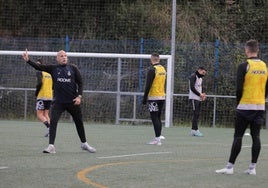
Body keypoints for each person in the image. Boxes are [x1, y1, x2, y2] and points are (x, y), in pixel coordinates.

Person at [22, 49, 96, 154]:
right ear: (57, 58)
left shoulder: (73, 68)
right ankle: (51, 146)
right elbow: (39, 67)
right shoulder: (53, 68)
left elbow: (80, 83)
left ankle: (84, 143)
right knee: (53, 123)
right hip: (59, 102)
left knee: (79, 122)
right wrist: (28, 60)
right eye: (61, 56)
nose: (64, 57)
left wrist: (79, 96)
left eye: (65, 55)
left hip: (72, 101)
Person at [215, 39, 268, 175]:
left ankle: (229, 167)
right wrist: (263, 99)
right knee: (256, 136)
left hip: (245, 106)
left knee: (238, 136)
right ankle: (252, 168)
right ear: (257, 50)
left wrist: (238, 103)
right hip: (260, 106)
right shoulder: (264, 66)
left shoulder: (244, 66)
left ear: (246, 50)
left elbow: (239, 88)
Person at [142, 53, 166, 146]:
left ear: (151, 59)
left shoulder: (152, 70)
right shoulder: (163, 69)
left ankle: (157, 139)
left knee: (154, 117)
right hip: (162, 96)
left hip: (154, 97)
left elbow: (148, 85)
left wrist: (144, 98)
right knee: (158, 117)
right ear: (159, 59)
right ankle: (159, 136)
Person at [35, 58, 53, 137]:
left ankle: (49, 127)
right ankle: (51, 131)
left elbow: (39, 83)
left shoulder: (39, 72)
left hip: (42, 95)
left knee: (39, 114)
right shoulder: (49, 73)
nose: (36, 66)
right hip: (49, 95)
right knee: (46, 114)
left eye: (38, 64)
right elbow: (53, 85)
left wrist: (36, 92)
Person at [188, 66, 207, 137]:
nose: (204, 74)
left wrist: (203, 95)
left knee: (197, 114)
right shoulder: (193, 76)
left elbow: (200, 88)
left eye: (205, 73)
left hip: (198, 99)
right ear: (199, 70)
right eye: (203, 72)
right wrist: (200, 94)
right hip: (193, 98)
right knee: (195, 114)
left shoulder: (200, 78)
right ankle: (195, 130)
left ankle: (194, 130)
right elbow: (192, 88)